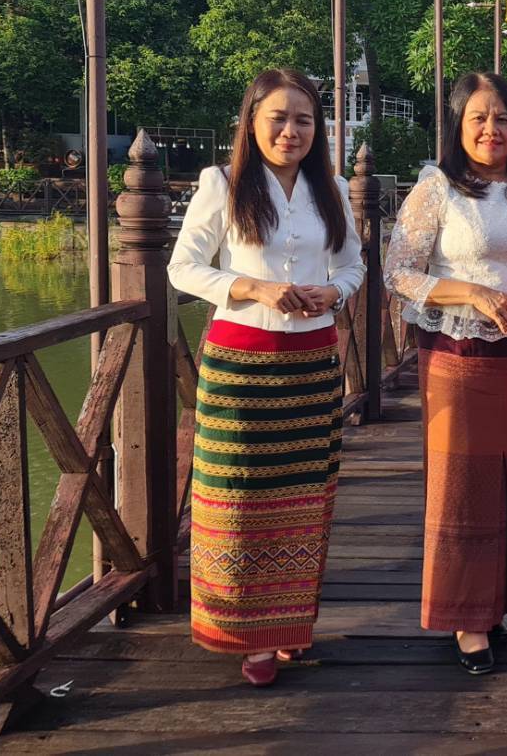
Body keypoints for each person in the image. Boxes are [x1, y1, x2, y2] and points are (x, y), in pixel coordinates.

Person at [168, 67, 366, 687]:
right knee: (239, 503)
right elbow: (184, 268)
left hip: (311, 371)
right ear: (251, 124)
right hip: (239, 370)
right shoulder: (223, 184)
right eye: (277, 118)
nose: (290, 130)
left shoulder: (329, 186)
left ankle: (291, 629)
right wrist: (252, 287)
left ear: (318, 129)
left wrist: (329, 293)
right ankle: (246, 636)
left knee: (304, 504)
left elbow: (355, 267)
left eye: (303, 120)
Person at [384, 72, 507, 676]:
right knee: (464, 483)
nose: (492, 130)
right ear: (458, 126)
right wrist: (472, 294)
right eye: (479, 119)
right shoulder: (437, 187)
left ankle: (503, 605)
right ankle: (466, 617)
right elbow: (400, 271)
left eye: (503, 120)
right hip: (459, 353)